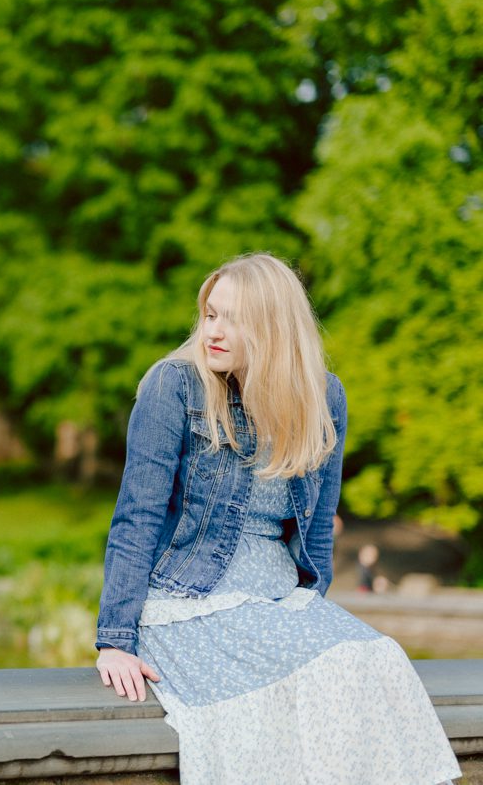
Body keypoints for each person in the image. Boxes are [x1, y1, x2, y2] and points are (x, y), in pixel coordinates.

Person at [93, 253, 460, 784]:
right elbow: (136, 518)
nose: (213, 332)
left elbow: (316, 525)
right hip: (191, 600)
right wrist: (115, 640)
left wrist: (314, 608)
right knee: (325, 675)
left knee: (379, 657)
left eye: (232, 319)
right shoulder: (173, 385)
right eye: (210, 314)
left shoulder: (324, 395)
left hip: (280, 599)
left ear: (272, 326)